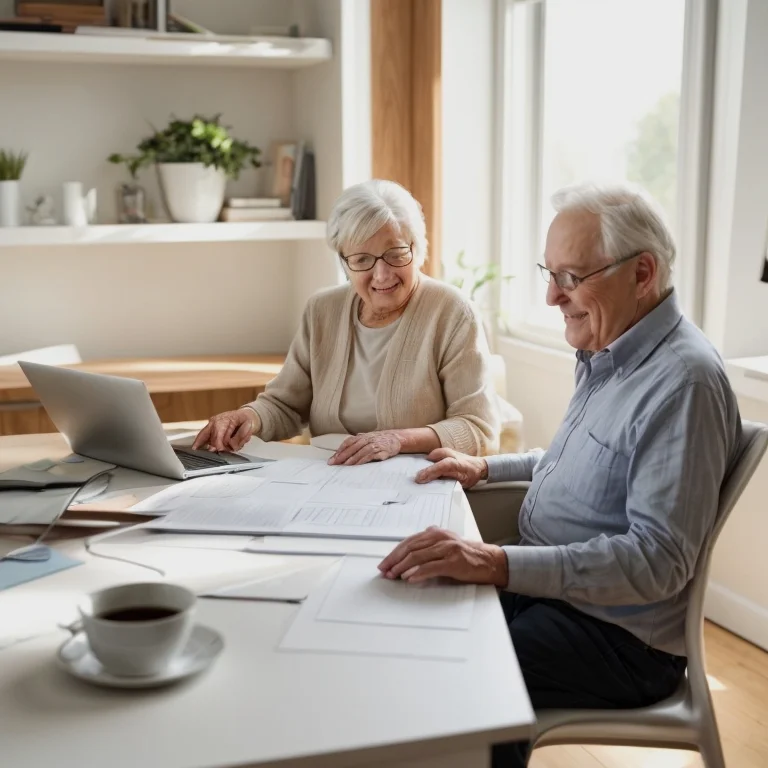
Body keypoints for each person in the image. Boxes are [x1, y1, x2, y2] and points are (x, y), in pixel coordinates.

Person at [377, 182, 741, 767]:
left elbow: (657, 561)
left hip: (618, 640)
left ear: (642, 272)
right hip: (552, 597)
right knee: (404, 622)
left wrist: (496, 563)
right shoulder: (612, 347)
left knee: (461, 675)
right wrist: (486, 466)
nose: (551, 296)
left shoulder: (682, 382)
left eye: (571, 278)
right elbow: (582, 464)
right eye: (550, 273)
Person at [193, 179, 499, 465]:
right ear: (344, 262)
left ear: (417, 250)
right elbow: (286, 405)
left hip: (414, 486)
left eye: (395, 254)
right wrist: (248, 417)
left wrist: (398, 440)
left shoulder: (452, 312)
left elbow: (478, 430)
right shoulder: (322, 310)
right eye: (362, 259)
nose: (382, 275)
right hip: (328, 481)